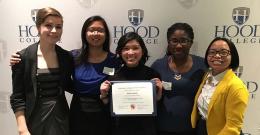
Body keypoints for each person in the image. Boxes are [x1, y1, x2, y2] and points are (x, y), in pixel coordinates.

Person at [10, 7, 74, 135]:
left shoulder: (66, 57)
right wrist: (22, 129)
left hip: (61, 118)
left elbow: (70, 85)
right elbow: (17, 97)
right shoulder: (22, 58)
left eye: (59, 26)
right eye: (48, 25)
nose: (54, 30)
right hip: (35, 118)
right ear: (38, 27)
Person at [99, 32, 163, 135]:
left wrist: (159, 94)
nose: (131, 52)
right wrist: (103, 96)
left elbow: (158, 107)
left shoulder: (152, 75)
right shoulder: (113, 77)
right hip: (120, 129)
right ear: (120, 51)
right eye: (126, 48)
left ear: (142, 50)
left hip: (146, 130)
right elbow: (108, 109)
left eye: (135, 48)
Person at [151, 22, 206, 135]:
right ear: (168, 43)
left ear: (190, 43)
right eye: (174, 41)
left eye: (184, 40)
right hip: (162, 129)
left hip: (192, 130)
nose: (179, 45)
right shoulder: (158, 65)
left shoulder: (202, 65)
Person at [69, 15, 119, 135]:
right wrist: (21, 58)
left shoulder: (114, 60)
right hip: (78, 111)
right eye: (91, 30)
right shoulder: (73, 56)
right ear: (85, 33)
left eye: (100, 30)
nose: (96, 33)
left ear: (106, 34)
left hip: (104, 111)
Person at [191, 37, 249, 135]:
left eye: (223, 52)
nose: (217, 56)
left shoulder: (236, 86)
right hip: (202, 128)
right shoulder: (207, 76)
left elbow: (233, 127)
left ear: (232, 56)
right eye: (212, 52)